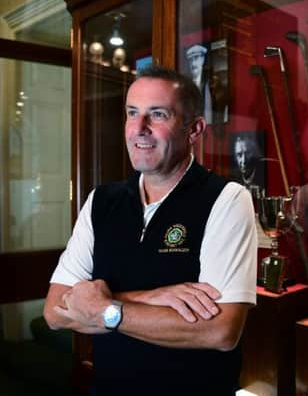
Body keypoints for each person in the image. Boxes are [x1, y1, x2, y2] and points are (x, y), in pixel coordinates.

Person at [43, 66, 257, 395]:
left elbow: (221, 331)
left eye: (157, 114)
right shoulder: (101, 201)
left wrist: (104, 309)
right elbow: (55, 311)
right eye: (132, 113)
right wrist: (151, 298)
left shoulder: (226, 200)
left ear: (194, 129)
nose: (139, 129)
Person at [186, 43, 214, 125]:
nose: (193, 63)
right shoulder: (186, 85)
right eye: (190, 60)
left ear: (203, 59)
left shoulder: (209, 82)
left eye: (196, 58)